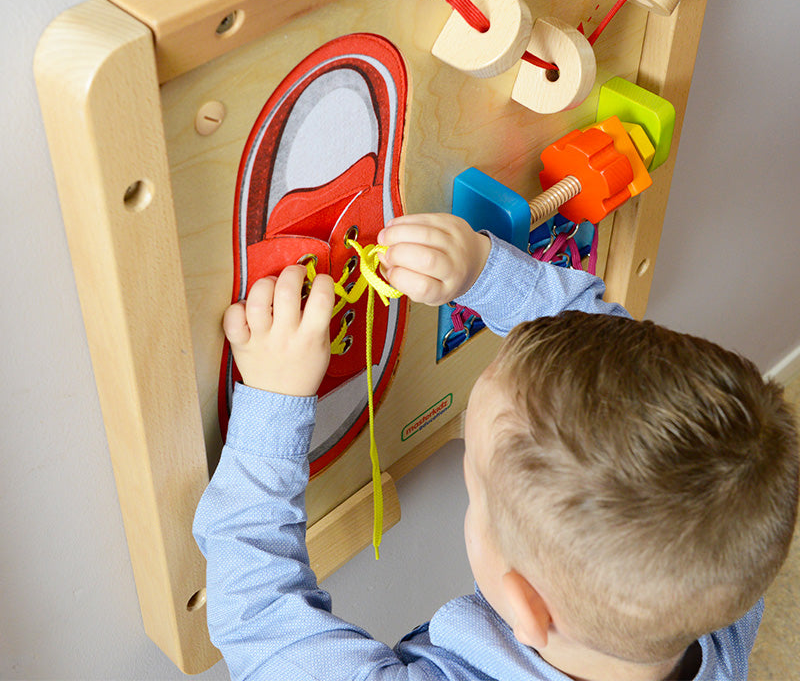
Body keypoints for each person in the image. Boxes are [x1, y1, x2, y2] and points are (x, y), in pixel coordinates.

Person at [193, 213, 799, 681]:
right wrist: (482, 269)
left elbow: (263, 620)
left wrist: (274, 404)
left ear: (524, 603)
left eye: (471, 480)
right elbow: (612, 346)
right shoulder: (720, 588)